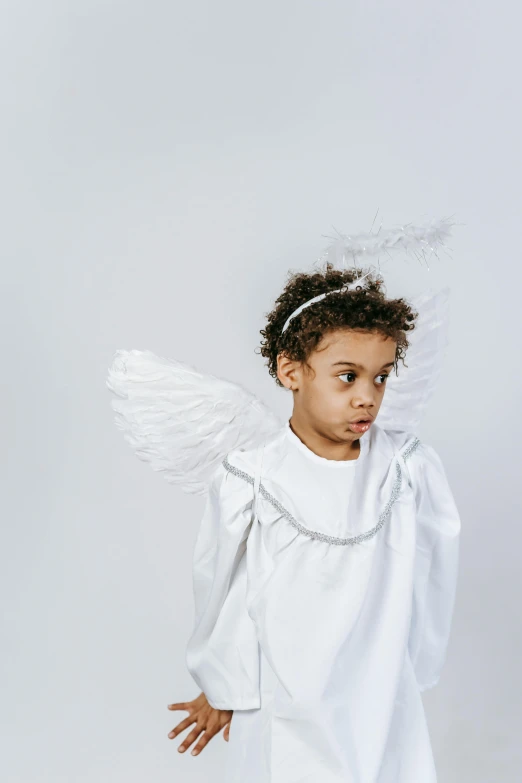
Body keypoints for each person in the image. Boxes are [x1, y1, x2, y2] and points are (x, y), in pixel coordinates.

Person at [106, 219, 461, 782]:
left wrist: (413, 665)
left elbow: (432, 566)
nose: (367, 396)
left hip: (378, 692)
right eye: (347, 377)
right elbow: (226, 585)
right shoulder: (254, 478)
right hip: (287, 700)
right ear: (291, 372)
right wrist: (224, 682)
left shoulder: (405, 467)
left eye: (381, 377)